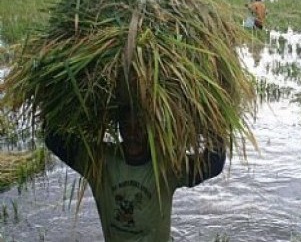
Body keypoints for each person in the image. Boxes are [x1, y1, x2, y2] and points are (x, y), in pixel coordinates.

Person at [44, 95, 226, 241]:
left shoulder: (165, 167)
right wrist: (68, 101)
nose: (133, 134)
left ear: (151, 129)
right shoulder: (99, 161)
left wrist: (205, 117)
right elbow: (53, 137)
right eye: (126, 127)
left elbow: (214, 163)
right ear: (118, 128)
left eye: (140, 127)